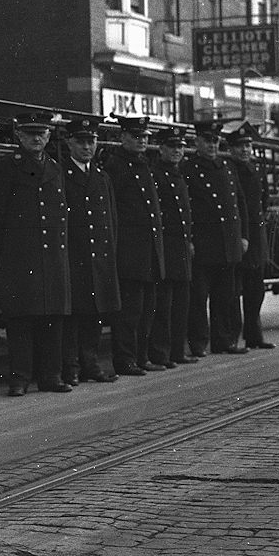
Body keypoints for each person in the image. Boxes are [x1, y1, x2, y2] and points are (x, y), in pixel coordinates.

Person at [0, 111, 72, 396]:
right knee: (21, 319)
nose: (36, 138)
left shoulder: (55, 168)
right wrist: (2, 249)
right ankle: (19, 378)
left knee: (52, 317)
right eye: (30, 133)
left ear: (48, 136)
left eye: (42, 133)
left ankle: (51, 376)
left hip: (52, 258)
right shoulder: (8, 167)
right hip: (21, 257)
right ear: (19, 135)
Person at [101, 116, 165, 376]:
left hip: (147, 253)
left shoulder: (142, 165)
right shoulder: (116, 166)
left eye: (145, 137)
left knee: (146, 310)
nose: (142, 141)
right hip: (129, 253)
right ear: (122, 138)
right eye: (136, 137)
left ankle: (141, 356)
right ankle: (125, 360)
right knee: (129, 313)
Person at [59, 117, 120, 385]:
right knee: (73, 317)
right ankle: (71, 367)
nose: (86, 147)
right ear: (69, 143)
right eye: (81, 141)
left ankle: (91, 363)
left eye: (91, 141)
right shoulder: (60, 174)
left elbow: (112, 219)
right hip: (74, 257)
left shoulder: (101, 177)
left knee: (94, 314)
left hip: (99, 257)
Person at [182, 121, 249, 356]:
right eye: (207, 141)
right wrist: (189, 239)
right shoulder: (188, 168)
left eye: (215, 141)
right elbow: (185, 207)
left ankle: (224, 341)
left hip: (227, 242)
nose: (212, 145)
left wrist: (243, 236)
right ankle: (199, 343)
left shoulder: (227, 167)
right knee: (199, 298)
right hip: (203, 243)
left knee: (226, 297)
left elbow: (240, 203)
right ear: (197, 142)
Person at [148, 125, 197, 368]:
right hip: (164, 248)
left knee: (181, 304)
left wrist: (189, 241)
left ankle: (178, 350)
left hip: (180, 248)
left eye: (180, 147)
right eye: (172, 147)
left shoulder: (179, 174)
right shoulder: (155, 174)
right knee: (164, 306)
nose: (177, 151)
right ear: (161, 148)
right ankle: (161, 353)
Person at [226, 120, 275, 350]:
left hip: (256, 234)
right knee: (235, 289)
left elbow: (263, 200)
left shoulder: (255, 170)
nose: (245, 151)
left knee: (256, 289)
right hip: (238, 235)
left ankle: (254, 335)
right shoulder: (228, 170)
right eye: (240, 147)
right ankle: (234, 337)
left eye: (248, 146)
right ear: (231, 149)